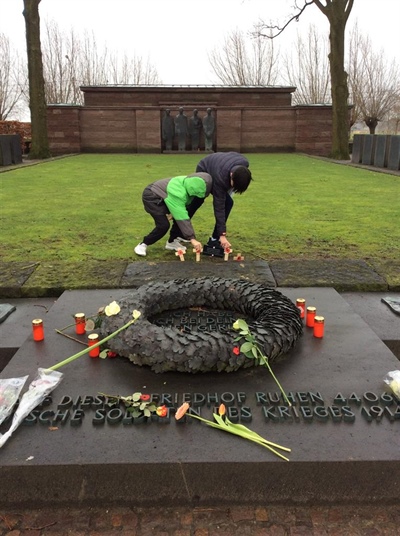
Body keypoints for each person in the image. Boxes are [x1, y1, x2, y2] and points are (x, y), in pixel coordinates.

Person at [167, 152, 252, 255]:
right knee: (195, 202)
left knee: (228, 203)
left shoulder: (244, 165)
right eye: (233, 186)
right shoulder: (221, 179)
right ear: (231, 175)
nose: (232, 189)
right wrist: (223, 235)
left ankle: (214, 238)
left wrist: (221, 234)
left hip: (217, 166)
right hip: (204, 168)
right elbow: (219, 207)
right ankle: (176, 235)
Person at [134, 172, 212, 257]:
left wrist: (173, 211)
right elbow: (182, 217)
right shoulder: (179, 192)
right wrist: (192, 239)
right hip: (152, 196)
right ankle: (143, 244)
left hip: (165, 196)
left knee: (179, 217)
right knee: (163, 225)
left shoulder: (189, 183)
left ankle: (172, 242)